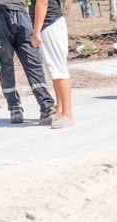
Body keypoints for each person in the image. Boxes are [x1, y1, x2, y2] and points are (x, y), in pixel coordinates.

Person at [0, 0, 56, 125]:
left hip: (21, 12)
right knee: (5, 62)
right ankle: (14, 107)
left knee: (32, 59)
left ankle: (46, 105)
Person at [32, 0, 75, 129]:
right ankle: (60, 111)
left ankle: (67, 114)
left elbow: (43, 2)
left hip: (50, 24)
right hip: (48, 25)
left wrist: (36, 31)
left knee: (59, 70)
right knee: (54, 71)